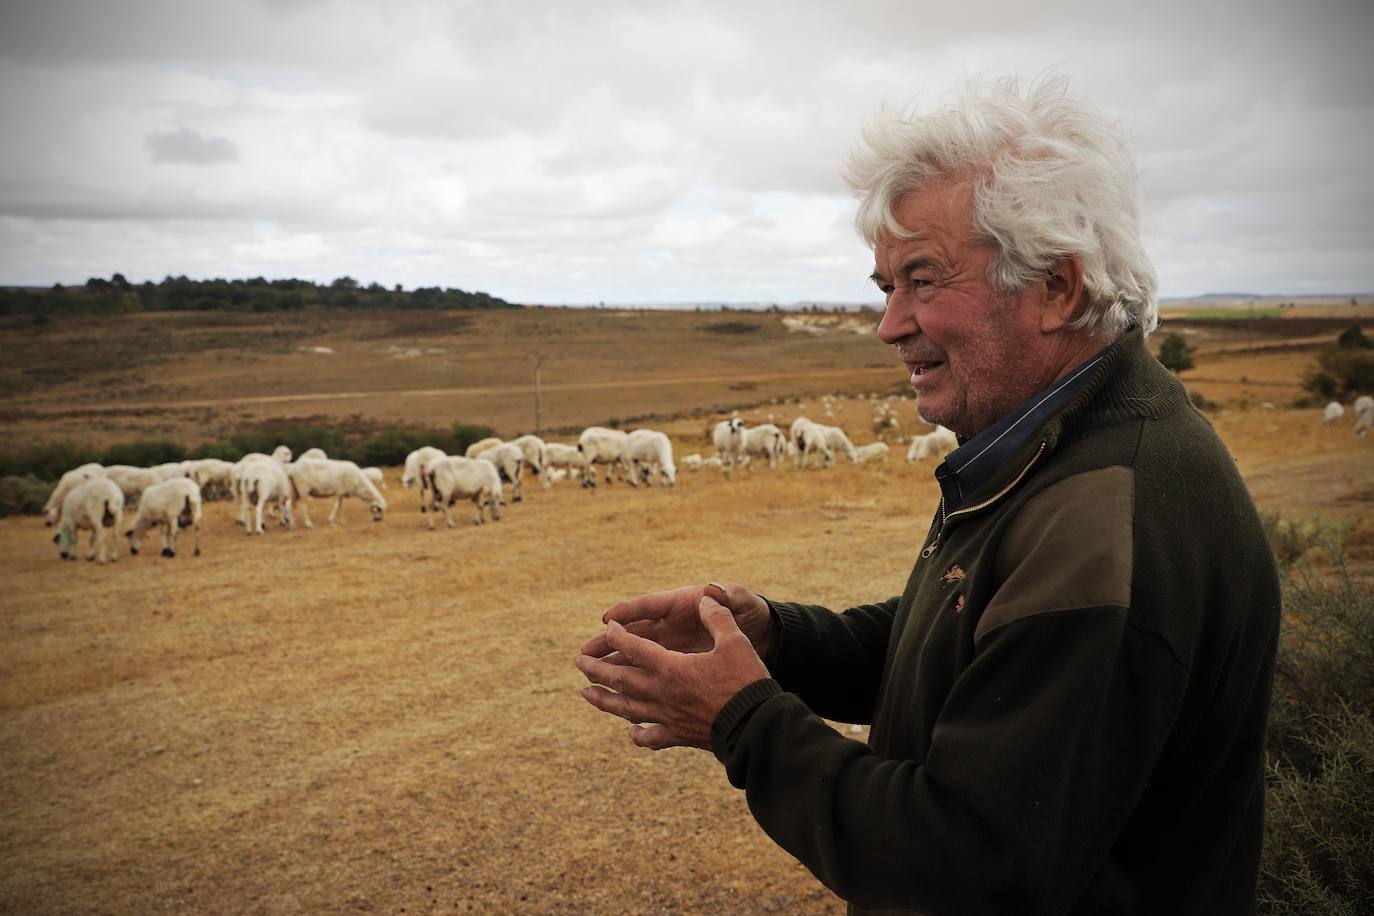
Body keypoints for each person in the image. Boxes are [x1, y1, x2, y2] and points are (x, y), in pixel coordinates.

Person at [575, 75, 1280, 915]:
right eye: (886, 287)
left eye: (923, 279)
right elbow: (969, 646)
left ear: (1058, 287)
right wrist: (777, 639)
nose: (889, 325)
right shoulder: (1053, 451)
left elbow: (967, 867)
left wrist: (743, 721)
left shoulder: (1106, 515)